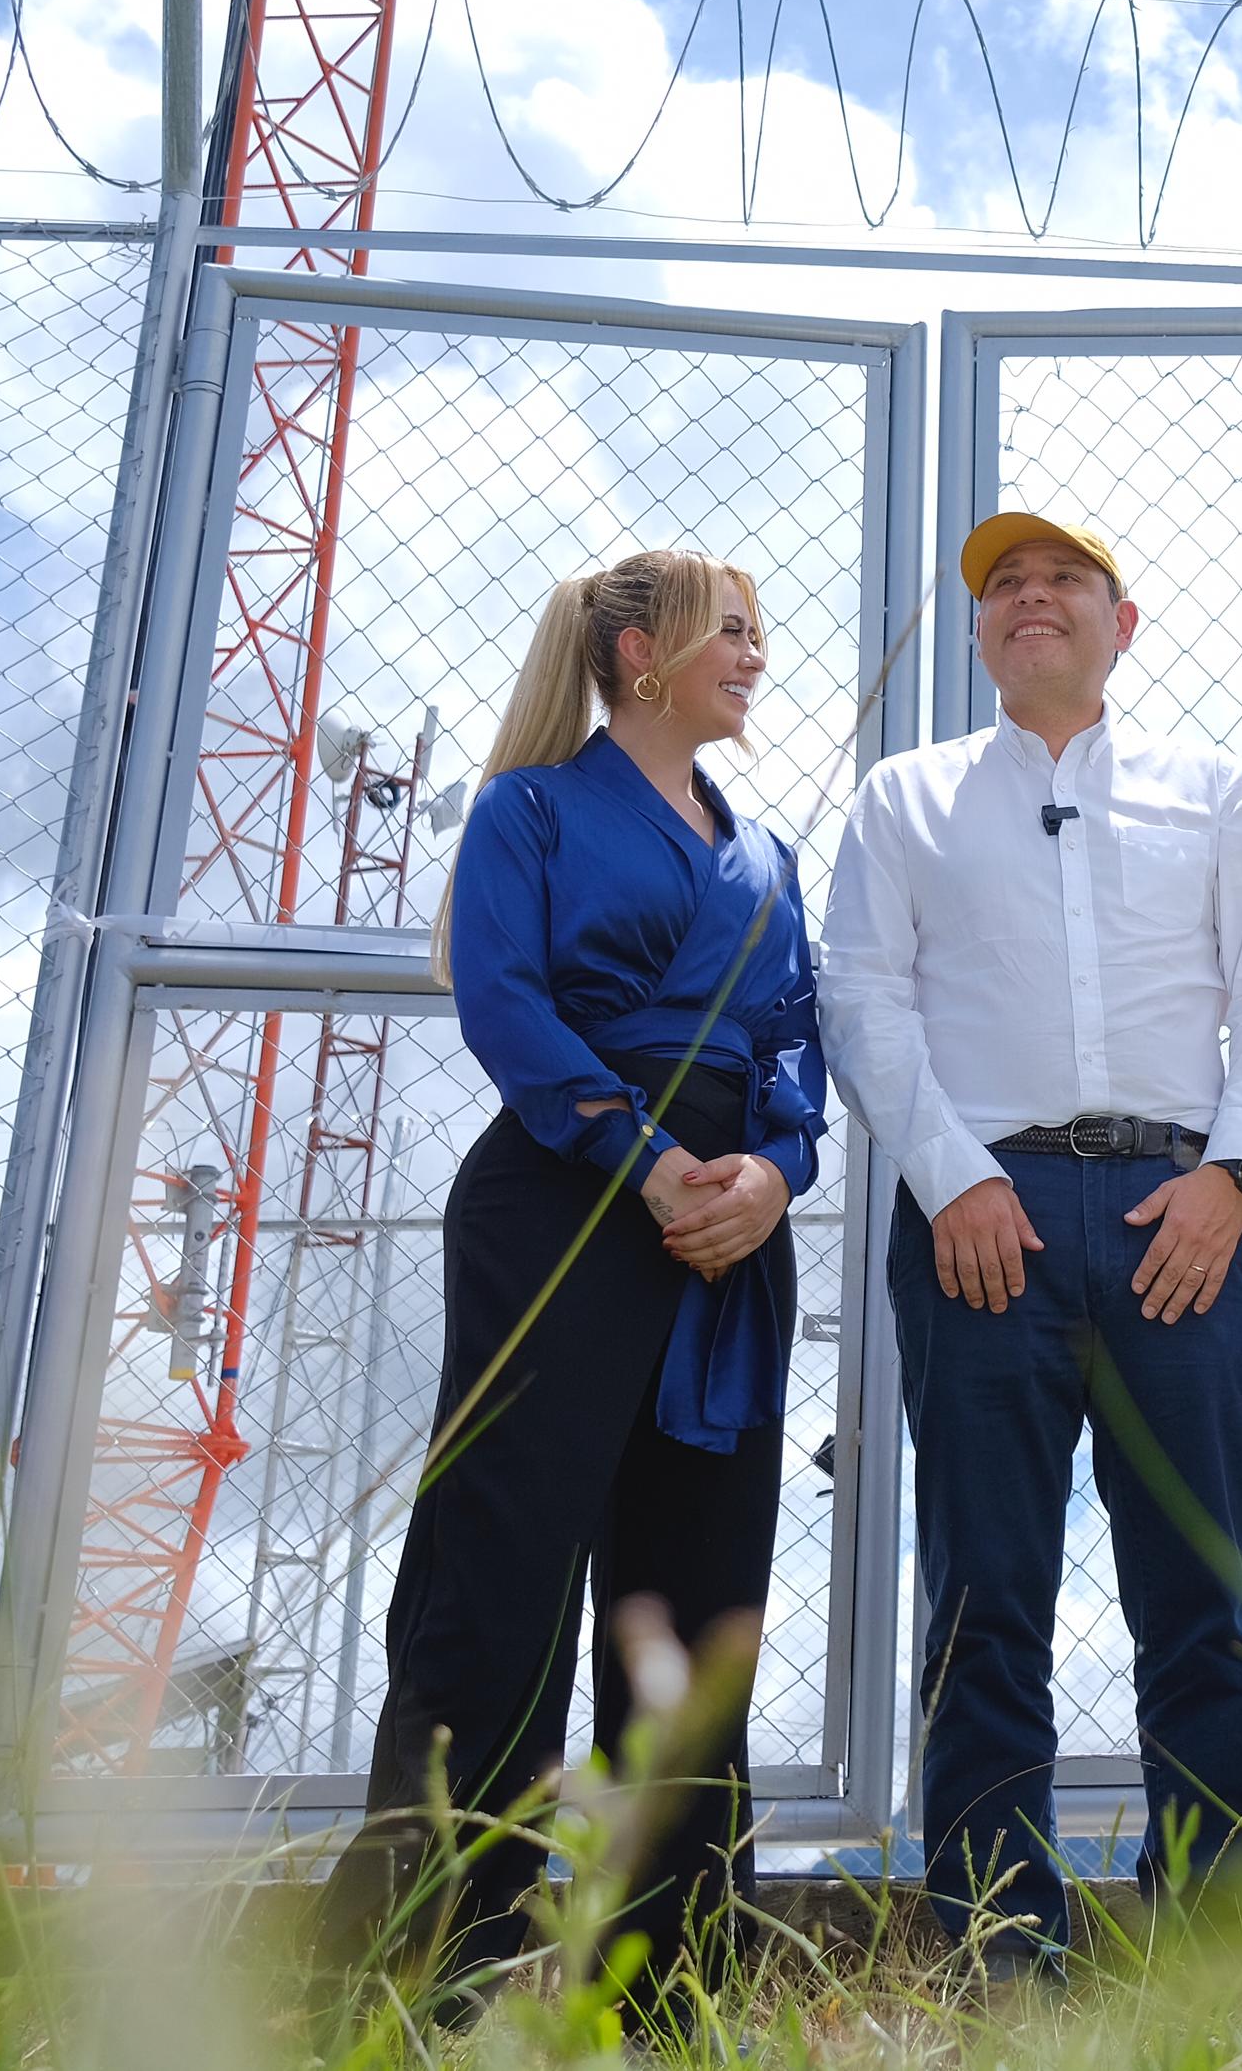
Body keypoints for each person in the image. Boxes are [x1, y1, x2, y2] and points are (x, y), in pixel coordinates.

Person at [822, 513, 1242, 1963]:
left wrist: (1236, 1175)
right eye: (1003, 587)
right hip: (984, 1218)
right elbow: (862, 993)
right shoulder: (906, 799)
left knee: (1201, 1590)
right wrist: (949, 1176)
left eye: (1062, 581)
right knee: (985, 1594)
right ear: (981, 632)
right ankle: (998, 1944)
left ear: (1124, 622)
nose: (1028, 599)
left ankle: (1212, 1941)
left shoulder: (1210, 791)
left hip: (1183, 1212)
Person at [336, 549, 823, 2015]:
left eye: (758, 632)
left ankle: (673, 1987)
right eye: (729, 630)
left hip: (729, 1233)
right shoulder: (529, 809)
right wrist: (651, 1161)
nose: (755, 655)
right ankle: (433, 1972)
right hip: (562, 1203)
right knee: (503, 1578)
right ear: (635, 654)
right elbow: (506, 1002)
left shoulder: (769, 854)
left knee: (696, 1599)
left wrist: (773, 1176)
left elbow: (797, 1043)